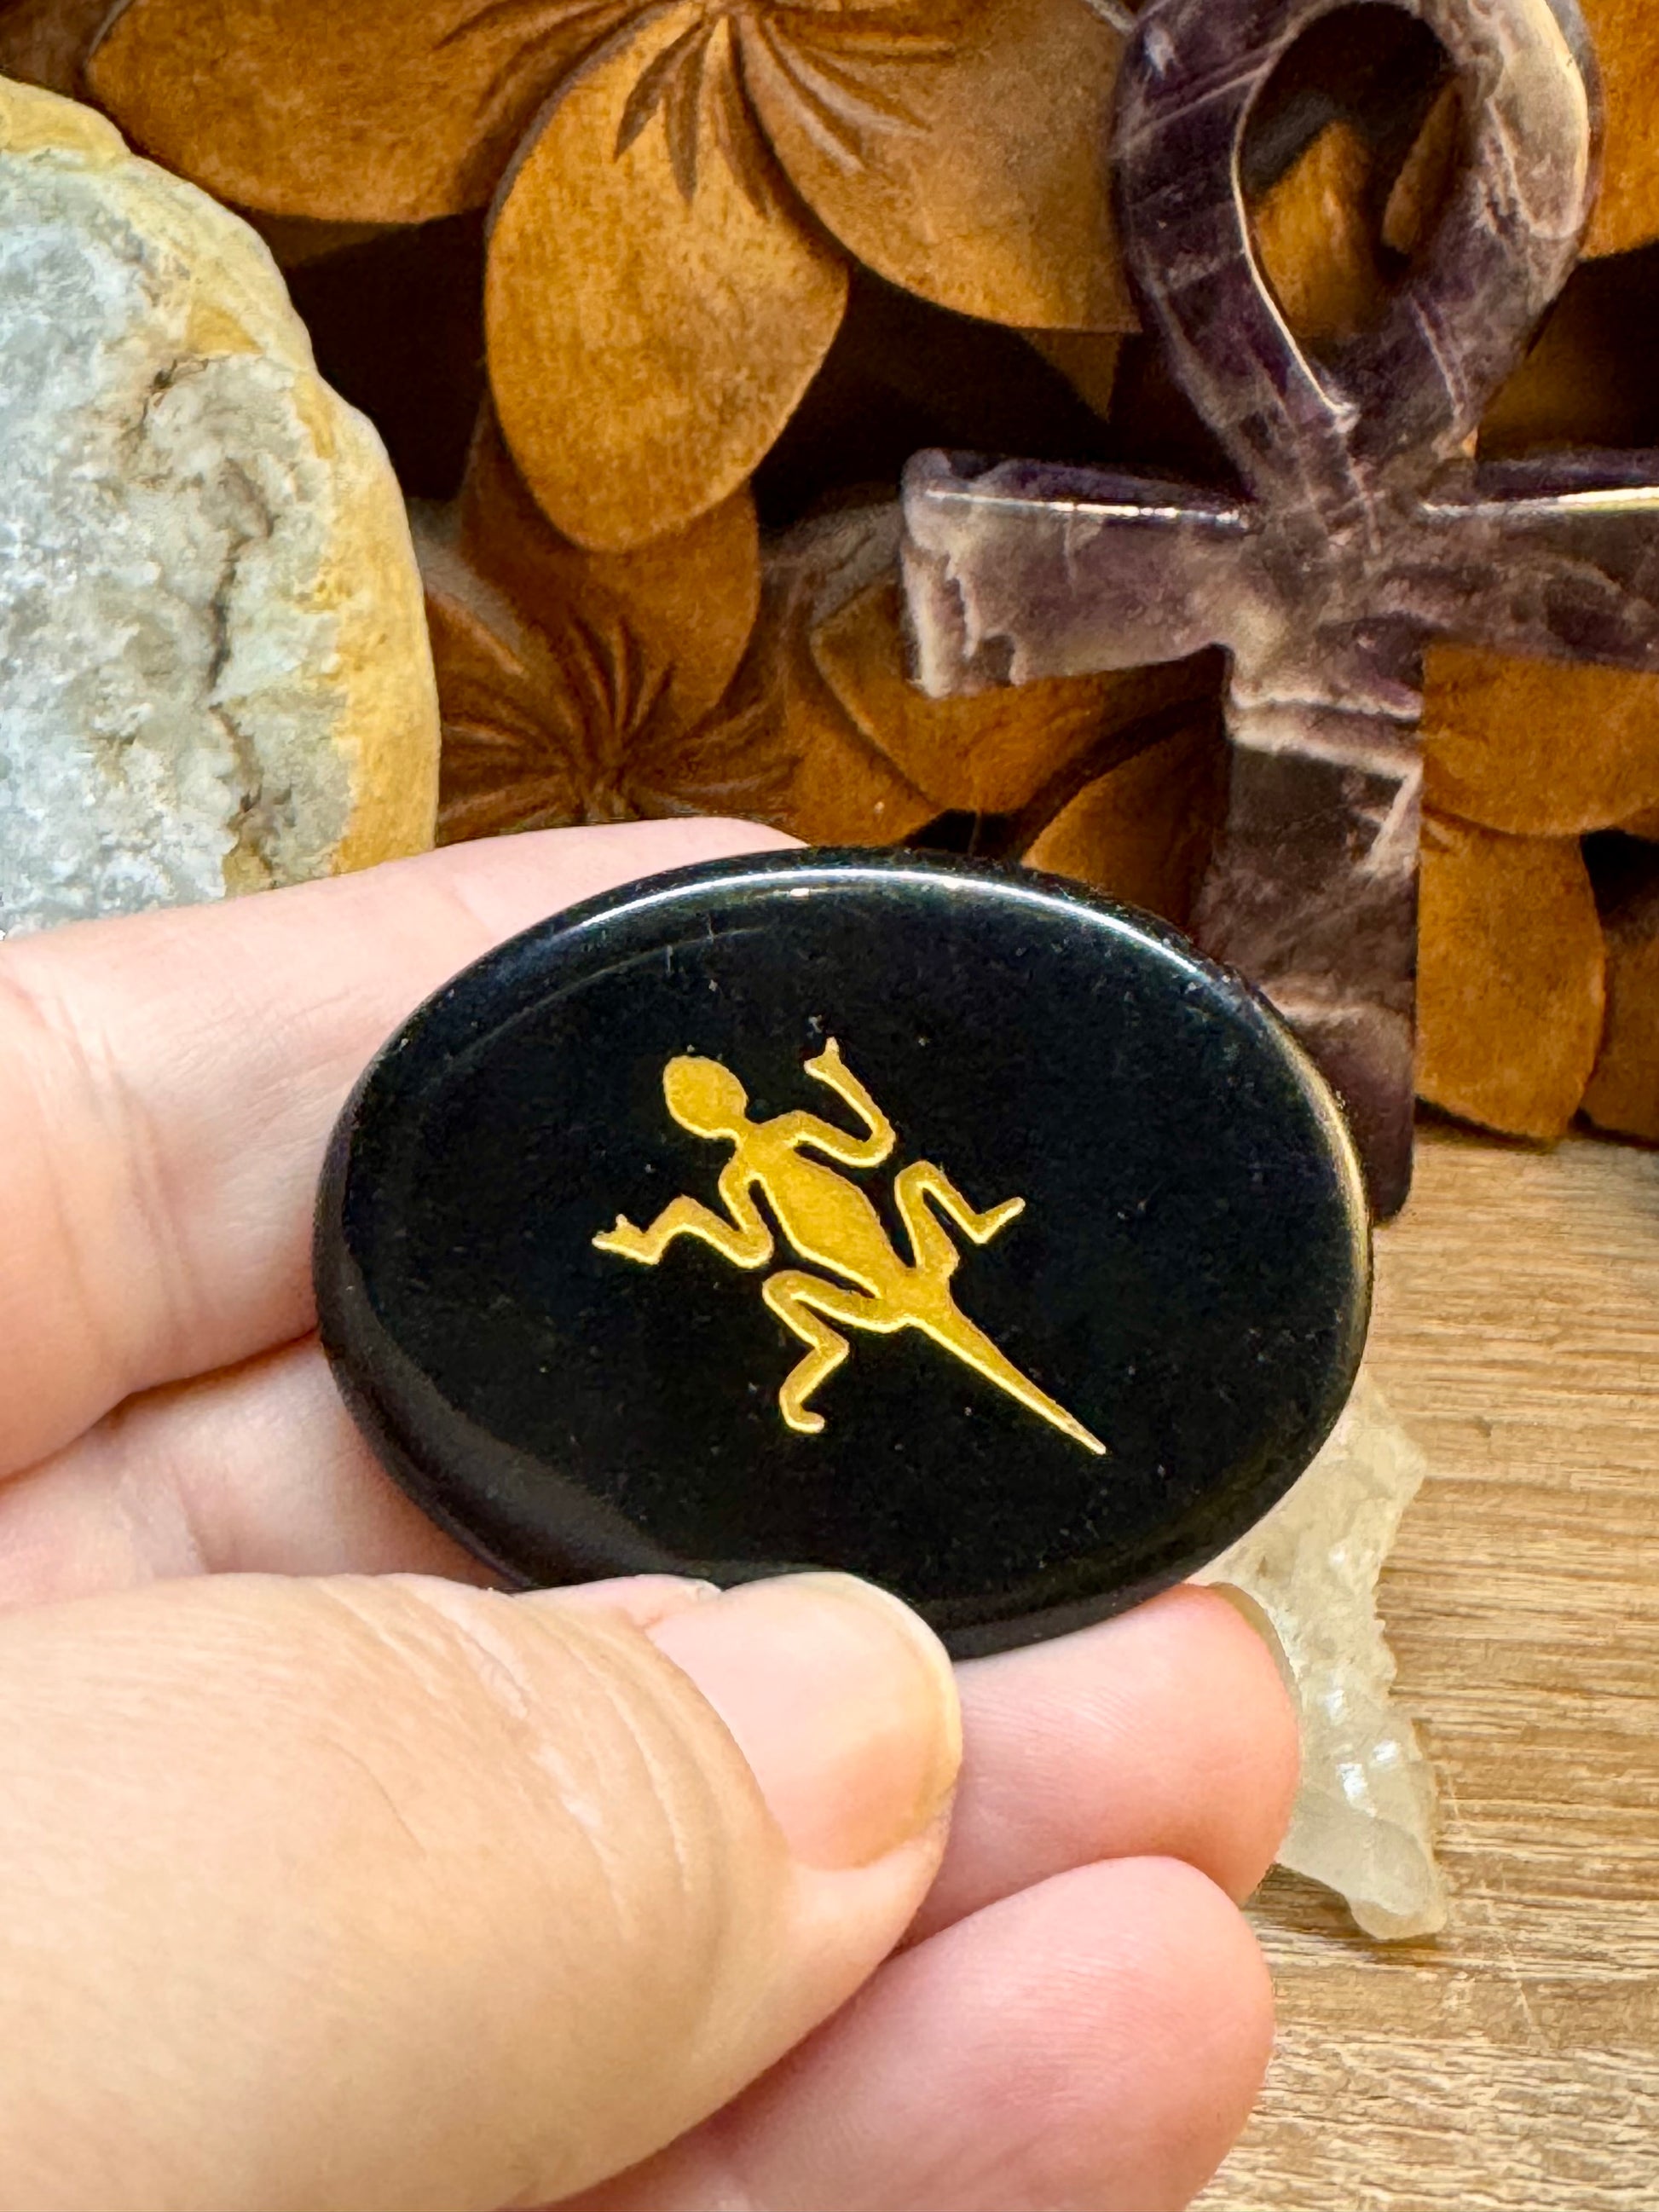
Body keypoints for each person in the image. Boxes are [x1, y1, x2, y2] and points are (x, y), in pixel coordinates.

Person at [0, 818, 1298, 2212]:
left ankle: (893, 1303)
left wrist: (824, 1097)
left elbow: (858, 1156)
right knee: (805, 1306)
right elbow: (753, 1238)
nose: (708, 1117)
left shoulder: (774, 1140)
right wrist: (660, 1229)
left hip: (907, 1270)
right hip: (872, 1289)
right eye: (697, 1108)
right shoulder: (745, 1167)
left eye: (705, 1101)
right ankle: (827, 1361)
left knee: (873, 1265)